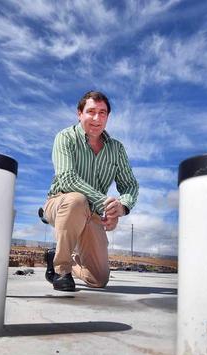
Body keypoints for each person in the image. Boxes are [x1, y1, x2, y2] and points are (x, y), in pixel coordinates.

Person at [42, 90, 139, 291]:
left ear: (108, 117)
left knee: (99, 279)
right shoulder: (65, 138)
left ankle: (57, 257)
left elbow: (129, 185)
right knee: (77, 200)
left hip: (93, 211)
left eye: (102, 113)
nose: (96, 118)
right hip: (60, 202)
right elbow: (67, 179)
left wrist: (120, 208)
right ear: (80, 113)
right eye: (91, 111)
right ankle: (62, 271)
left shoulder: (117, 149)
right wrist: (105, 203)